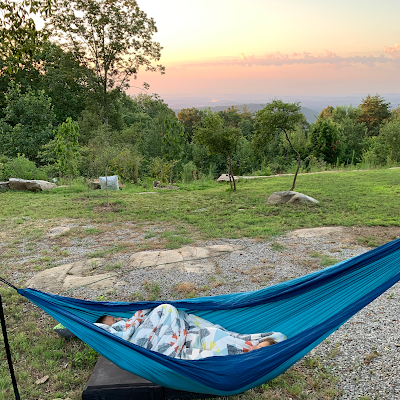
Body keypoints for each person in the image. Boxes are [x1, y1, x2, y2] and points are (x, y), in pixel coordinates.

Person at [94, 304, 286, 359]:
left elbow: (278, 338)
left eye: (116, 318)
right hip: (146, 344)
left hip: (186, 340)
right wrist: (132, 322)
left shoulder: (247, 346)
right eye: (113, 319)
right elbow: (103, 328)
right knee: (167, 310)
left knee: (169, 310)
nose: (117, 319)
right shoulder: (119, 326)